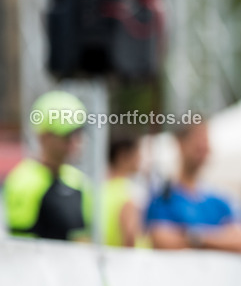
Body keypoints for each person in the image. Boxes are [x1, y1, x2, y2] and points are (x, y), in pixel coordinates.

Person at [147, 121, 241, 254]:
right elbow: (162, 241)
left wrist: (194, 237)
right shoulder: (163, 197)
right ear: (180, 143)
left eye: (205, 141)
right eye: (197, 140)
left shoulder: (219, 199)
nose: (203, 147)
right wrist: (220, 239)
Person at [3, 91, 91, 241]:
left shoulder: (78, 181)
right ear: (44, 136)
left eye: (78, 133)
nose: (75, 142)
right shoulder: (22, 182)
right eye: (67, 134)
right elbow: (20, 242)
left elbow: (83, 238)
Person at [102, 134, 148, 247]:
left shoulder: (101, 188)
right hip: (127, 256)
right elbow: (130, 236)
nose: (140, 159)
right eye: (137, 154)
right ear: (123, 155)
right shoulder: (128, 192)